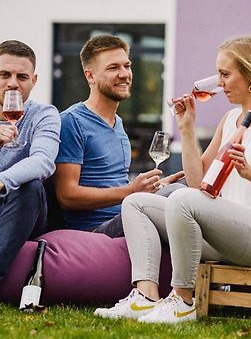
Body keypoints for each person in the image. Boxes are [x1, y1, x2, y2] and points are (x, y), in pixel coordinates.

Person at [94, 34, 251, 321]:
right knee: (136, 203)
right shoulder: (231, 120)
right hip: (228, 235)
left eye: (225, 74)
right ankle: (145, 296)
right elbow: (199, 183)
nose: (219, 84)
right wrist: (186, 129)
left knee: (182, 198)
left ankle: (183, 301)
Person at [54, 34, 183, 241]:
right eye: (113, 68)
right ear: (90, 76)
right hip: (95, 230)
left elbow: (119, 185)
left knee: (181, 190)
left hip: (126, 214)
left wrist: (151, 189)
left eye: (127, 65)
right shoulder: (72, 122)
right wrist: (131, 191)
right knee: (178, 196)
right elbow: (66, 196)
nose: (124, 74)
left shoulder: (118, 123)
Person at [0, 40, 61, 280]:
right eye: (4, 74)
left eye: (22, 77)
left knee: (31, 185)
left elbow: (43, 161)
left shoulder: (44, 114)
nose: (12, 83)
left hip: (20, 209)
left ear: (33, 81)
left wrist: (3, 180)